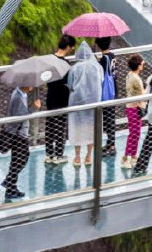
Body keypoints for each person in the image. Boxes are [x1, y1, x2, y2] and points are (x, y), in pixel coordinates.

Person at [67, 39, 102, 168]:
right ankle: (88, 156)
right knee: (91, 129)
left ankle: (77, 158)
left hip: (77, 104)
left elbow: (70, 85)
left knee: (77, 129)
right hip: (93, 104)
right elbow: (101, 81)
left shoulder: (74, 68)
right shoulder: (97, 67)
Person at [44, 34, 76, 163]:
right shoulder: (65, 64)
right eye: (72, 47)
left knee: (50, 125)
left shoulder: (49, 60)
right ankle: (58, 155)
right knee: (60, 126)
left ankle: (49, 154)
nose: (72, 49)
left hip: (51, 96)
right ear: (68, 47)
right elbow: (69, 82)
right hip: (62, 98)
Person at [2, 83, 30, 200]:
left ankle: (10, 185)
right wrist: (34, 108)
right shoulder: (18, 97)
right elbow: (20, 117)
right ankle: (10, 184)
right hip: (18, 135)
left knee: (18, 160)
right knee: (21, 159)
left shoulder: (21, 94)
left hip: (20, 133)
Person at [123, 53, 145, 168]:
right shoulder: (137, 79)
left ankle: (133, 156)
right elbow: (142, 95)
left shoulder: (129, 75)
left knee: (135, 133)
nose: (143, 65)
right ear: (138, 66)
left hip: (130, 107)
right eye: (142, 64)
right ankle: (126, 157)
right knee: (134, 134)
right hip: (135, 108)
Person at [96, 37, 117, 157]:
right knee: (110, 117)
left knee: (108, 119)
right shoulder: (112, 55)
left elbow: (101, 75)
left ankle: (111, 146)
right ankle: (110, 143)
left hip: (107, 92)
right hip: (113, 89)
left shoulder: (104, 59)